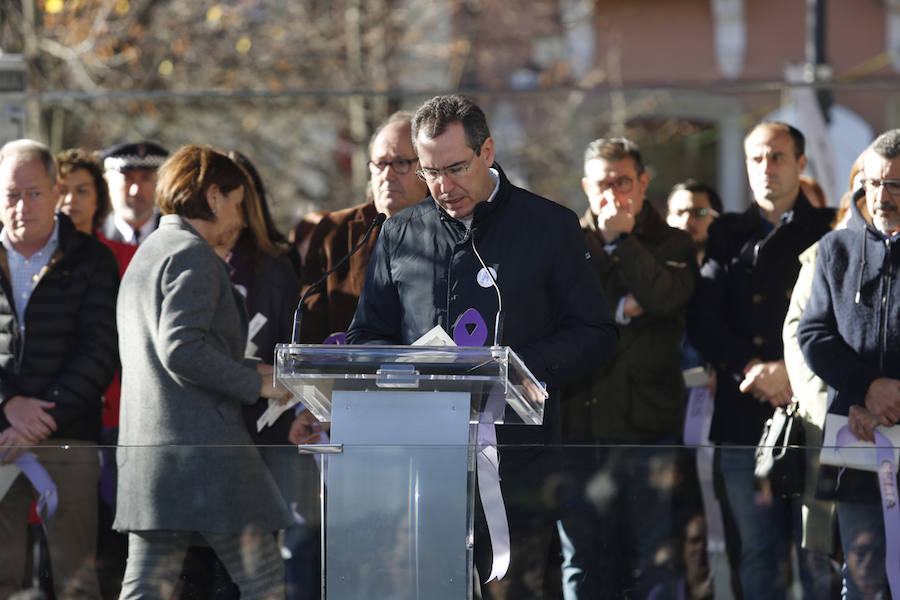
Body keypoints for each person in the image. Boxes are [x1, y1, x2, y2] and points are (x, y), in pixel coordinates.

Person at [347, 94, 618, 598]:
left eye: (455, 168)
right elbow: (367, 336)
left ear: (487, 152)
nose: (443, 187)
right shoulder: (399, 233)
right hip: (425, 463)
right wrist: (408, 368)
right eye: (429, 172)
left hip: (521, 464)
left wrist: (512, 369)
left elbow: (598, 335)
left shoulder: (550, 226)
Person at [114, 145, 295, 599]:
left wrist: (256, 372)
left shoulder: (150, 252)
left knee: (145, 587)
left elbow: (176, 350)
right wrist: (255, 383)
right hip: (208, 460)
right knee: (265, 580)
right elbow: (181, 348)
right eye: (236, 204)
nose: (240, 218)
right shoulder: (192, 255)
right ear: (213, 198)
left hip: (153, 461)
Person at [688, 121, 835, 599]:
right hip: (745, 417)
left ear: (800, 164)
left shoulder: (832, 231)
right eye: (756, 158)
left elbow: (838, 325)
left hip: (815, 419)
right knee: (756, 558)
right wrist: (752, 368)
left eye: (777, 157)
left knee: (819, 560)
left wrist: (791, 373)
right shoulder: (727, 234)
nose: (766, 167)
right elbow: (704, 317)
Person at [558, 138, 698, 599]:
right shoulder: (566, 242)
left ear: (642, 183)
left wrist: (623, 241)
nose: (613, 194)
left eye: (623, 181)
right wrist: (622, 307)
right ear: (585, 186)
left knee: (653, 558)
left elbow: (663, 298)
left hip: (648, 431)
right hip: (584, 429)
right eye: (602, 184)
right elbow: (569, 316)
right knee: (584, 561)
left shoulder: (674, 241)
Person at [0, 139, 120, 599]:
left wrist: (37, 419)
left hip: (68, 433)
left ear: (55, 193)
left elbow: (99, 350)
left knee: (76, 582)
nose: (22, 205)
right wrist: (9, 405)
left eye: (33, 193)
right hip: (2, 433)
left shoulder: (91, 259)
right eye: (12, 194)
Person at [798, 129, 900, 599]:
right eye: (874, 182)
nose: (882, 196)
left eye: (896, 184)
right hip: (857, 442)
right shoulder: (836, 249)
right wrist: (863, 392)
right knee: (861, 581)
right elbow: (814, 334)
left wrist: (891, 397)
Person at [299, 111, 428, 343]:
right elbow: (309, 330)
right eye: (380, 163)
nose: (387, 174)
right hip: (351, 376)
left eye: (400, 162)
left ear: (426, 169)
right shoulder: (334, 232)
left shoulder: (453, 229)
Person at [100, 141, 168, 245]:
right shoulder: (95, 237)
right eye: (127, 178)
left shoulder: (173, 236)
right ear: (107, 182)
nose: (135, 191)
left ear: (160, 183)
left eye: (145, 178)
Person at [666, 180, 721, 265]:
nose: (687, 221)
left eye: (698, 212)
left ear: (716, 219)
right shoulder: (649, 269)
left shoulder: (734, 270)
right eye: (678, 213)